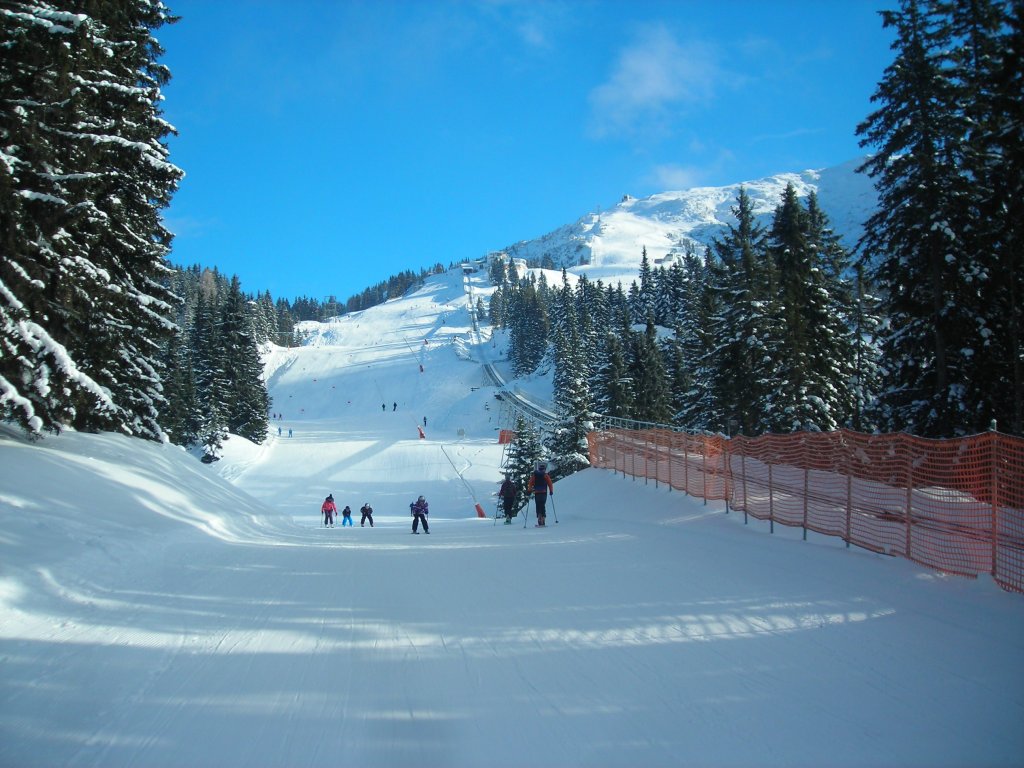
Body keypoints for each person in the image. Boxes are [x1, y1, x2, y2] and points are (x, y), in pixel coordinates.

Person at [527, 462, 554, 527]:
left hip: (537, 493)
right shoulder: (545, 475)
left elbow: (530, 483)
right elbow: (550, 483)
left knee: (538, 505)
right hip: (544, 493)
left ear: (539, 469)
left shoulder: (535, 475)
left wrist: (529, 491)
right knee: (542, 505)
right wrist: (551, 491)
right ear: (544, 469)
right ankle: (543, 519)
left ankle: (539, 519)